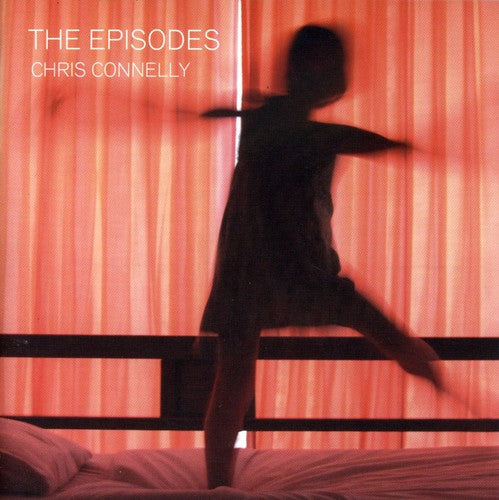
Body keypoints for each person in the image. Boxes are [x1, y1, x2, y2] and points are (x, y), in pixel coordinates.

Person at [200, 25, 444, 489]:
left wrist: (385, 145)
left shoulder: (270, 121)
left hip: (259, 267)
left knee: (234, 374)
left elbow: (326, 136)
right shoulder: (276, 125)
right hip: (275, 265)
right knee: (237, 375)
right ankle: (217, 487)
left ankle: (217, 485)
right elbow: (325, 137)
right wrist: (387, 145)